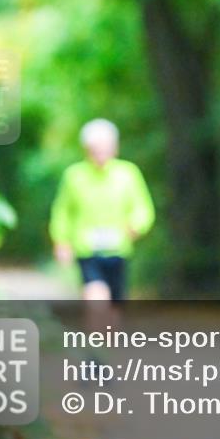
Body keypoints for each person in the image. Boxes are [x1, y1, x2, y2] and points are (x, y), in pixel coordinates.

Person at [49, 119, 155, 322]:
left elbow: (143, 207)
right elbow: (62, 211)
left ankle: (107, 344)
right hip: (87, 249)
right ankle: (96, 345)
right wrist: (61, 240)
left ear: (115, 148)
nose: (100, 153)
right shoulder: (74, 175)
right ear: (86, 149)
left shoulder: (128, 173)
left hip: (119, 249)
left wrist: (137, 226)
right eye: (95, 148)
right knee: (96, 296)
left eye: (105, 147)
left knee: (115, 306)